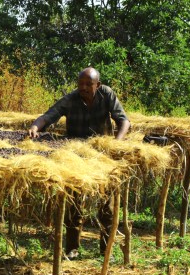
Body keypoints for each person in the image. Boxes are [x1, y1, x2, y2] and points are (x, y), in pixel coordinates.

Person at [28, 67, 130, 259]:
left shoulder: (106, 94)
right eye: (80, 84)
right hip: (75, 157)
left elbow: (124, 121)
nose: (83, 87)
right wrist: (35, 126)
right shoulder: (71, 99)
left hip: (102, 156)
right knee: (74, 202)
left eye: (88, 84)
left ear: (97, 85)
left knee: (106, 205)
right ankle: (72, 248)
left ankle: (105, 250)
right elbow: (49, 115)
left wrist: (116, 144)